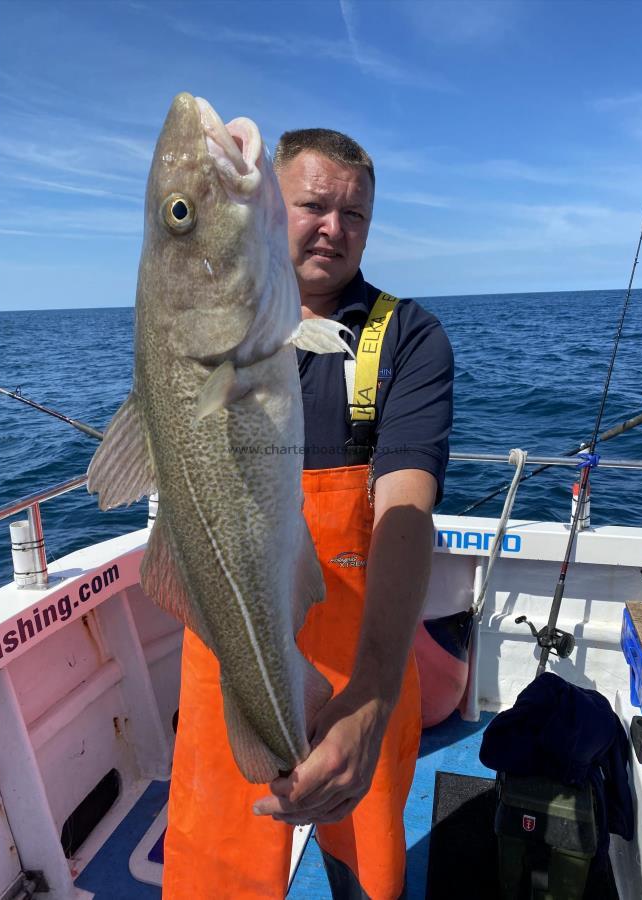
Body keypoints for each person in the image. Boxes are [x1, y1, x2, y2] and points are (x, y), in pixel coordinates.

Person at [162, 129, 454, 900]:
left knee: (366, 866)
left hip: (363, 656)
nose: (334, 227)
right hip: (231, 649)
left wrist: (373, 694)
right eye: (312, 205)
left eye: (354, 214)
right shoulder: (214, 333)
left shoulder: (408, 338)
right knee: (219, 870)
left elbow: (406, 507)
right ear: (265, 210)